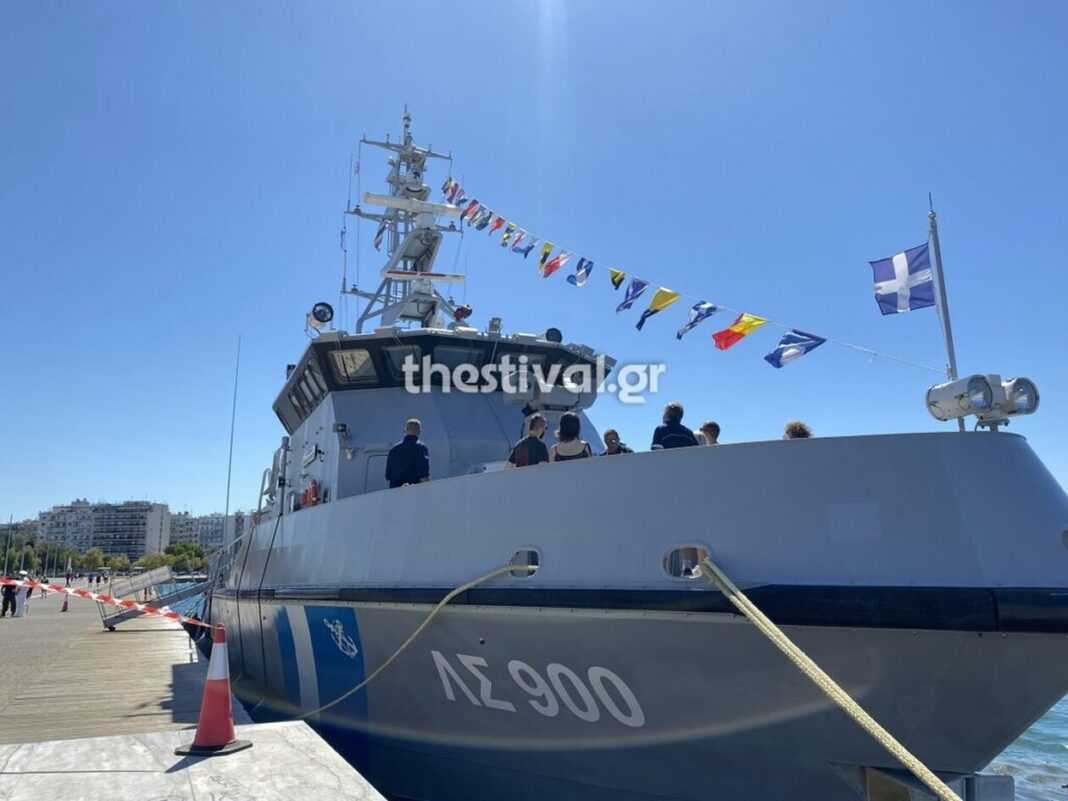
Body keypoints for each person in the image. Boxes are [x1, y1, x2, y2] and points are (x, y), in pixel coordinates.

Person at [385, 418, 431, 488]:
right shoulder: (421, 448)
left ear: (405, 430)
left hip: (395, 492)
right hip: (414, 491)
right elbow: (424, 475)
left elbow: (388, 476)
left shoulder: (394, 449)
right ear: (419, 431)